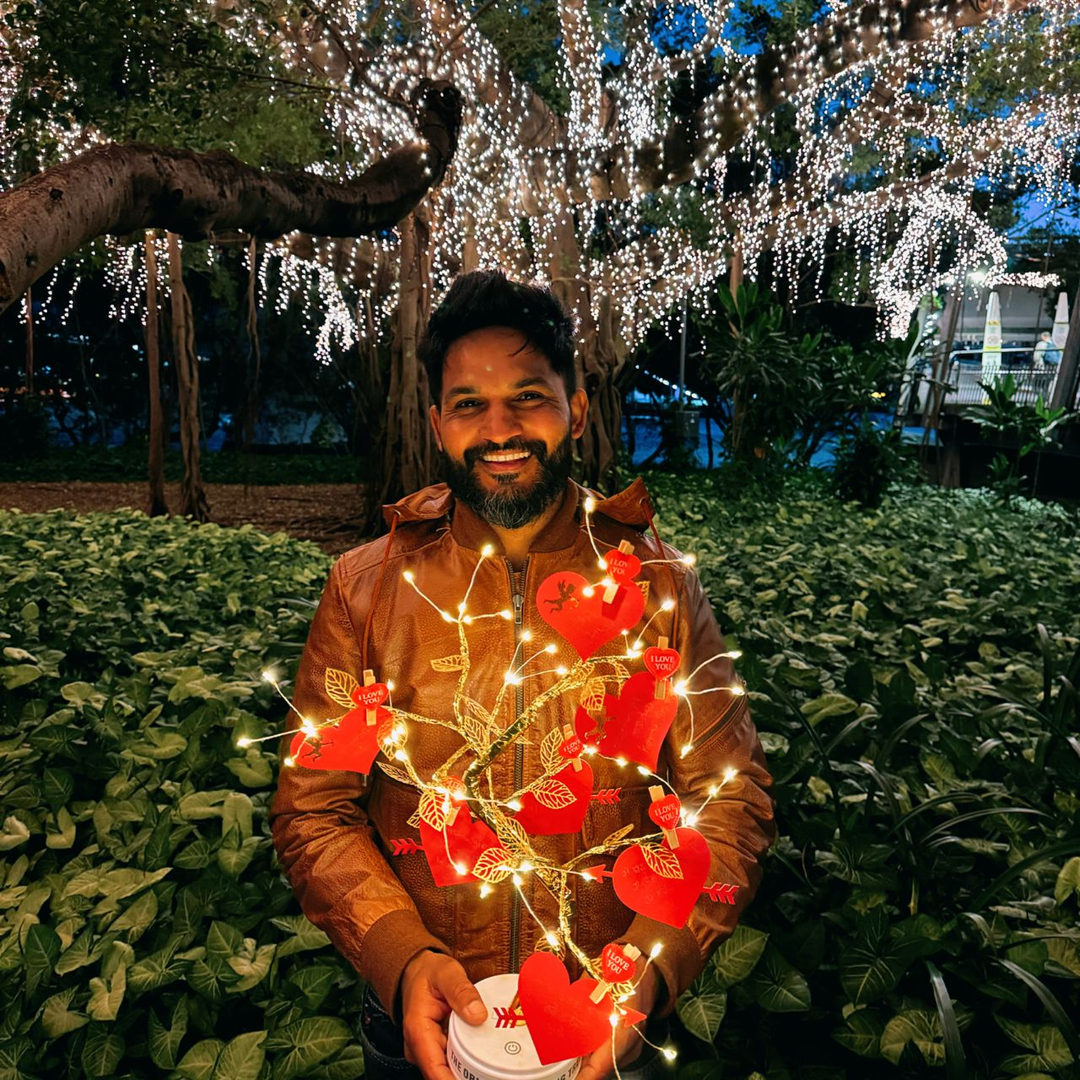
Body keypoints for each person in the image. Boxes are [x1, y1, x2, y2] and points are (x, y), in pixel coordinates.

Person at [269, 271, 775, 1080]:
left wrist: (643, 970)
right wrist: (402, 960)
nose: (499, 428)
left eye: (527, 396)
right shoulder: (366, 589)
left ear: (575, 409)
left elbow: (731, 802)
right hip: (423, 1024)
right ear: (437, 423)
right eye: (469, 403)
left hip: (604, 1019)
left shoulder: (659, 588)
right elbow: (314, 810)